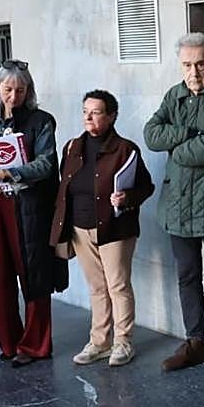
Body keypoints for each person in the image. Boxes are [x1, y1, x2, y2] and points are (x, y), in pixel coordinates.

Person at [0, 59, 67, 367]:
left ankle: (35, 345)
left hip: (28, 208)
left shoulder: (41, 121)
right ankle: (8, 342)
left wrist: (6, 173)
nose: (13, 96)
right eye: (8, 89)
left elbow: (46, 163)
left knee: (34, 274)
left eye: (20, 90)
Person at [144, 32, 204, 373]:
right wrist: (186, 134)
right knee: (187, 277)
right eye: (187, 64)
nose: (194, 72)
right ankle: (196, 341)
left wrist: (181, 149)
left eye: (200, 63)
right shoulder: (175, 94)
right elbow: (152, 134)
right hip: (178, 207)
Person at [50, 90, 155, 367]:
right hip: (80, 227)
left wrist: (127, 198)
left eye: (96, 112)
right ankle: (99, 342)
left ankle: (123, 341)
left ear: (111, 117)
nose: (88, 116)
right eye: (85, 111)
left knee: (118, 285)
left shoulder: (126, 149)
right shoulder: (72, 147)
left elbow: (146, 186)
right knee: (96, 288)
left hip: (114, 227)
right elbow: (66, 186)